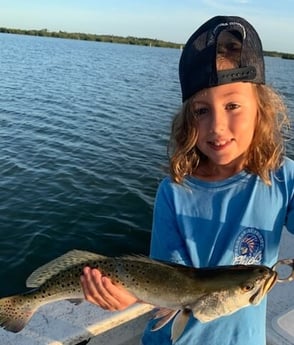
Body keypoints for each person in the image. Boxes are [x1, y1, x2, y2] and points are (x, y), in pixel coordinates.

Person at [80, 15, 294, 345]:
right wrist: (128, 296)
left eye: (233, 105)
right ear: (187, 119)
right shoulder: (174, 192)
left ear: (261, 109)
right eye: (201, 110)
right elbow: (167, 281)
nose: (216, 126)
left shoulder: (283, 178)